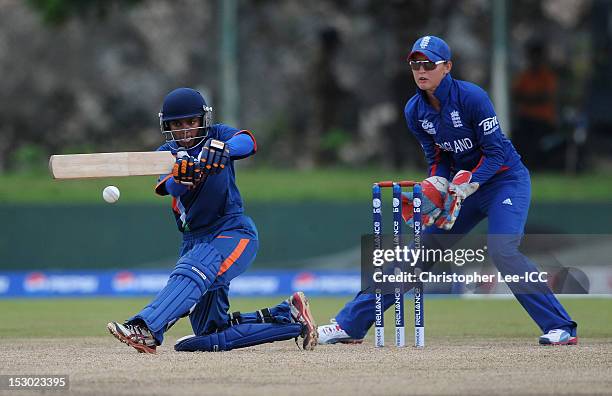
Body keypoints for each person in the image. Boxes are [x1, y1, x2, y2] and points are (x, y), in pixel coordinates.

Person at [317, 36, 578, 346]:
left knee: (502, 250)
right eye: (415, 64)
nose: (421, 70)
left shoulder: (472, 97)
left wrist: (469, 183)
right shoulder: (415, 110)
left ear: (447, 67)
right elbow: (438, 158)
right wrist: (437, 185)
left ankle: (561, 326)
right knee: (417, 253)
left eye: (429, 63)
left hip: (504, 181)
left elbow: (495, 153)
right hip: (459, 189)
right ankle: (350, 324)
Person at [107, 87, 317, 353]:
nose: (184, 130)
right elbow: (170, 187)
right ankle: (290, 318)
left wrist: (224, 150)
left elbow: (248, 142)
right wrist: (183, 176)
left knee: (199, 262)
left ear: (202, 120)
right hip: (194, 238)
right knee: (210, 334)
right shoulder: (165, 153)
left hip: (233, 232)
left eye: (191, 122)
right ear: (166, 125)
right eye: (177, 124)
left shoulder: (218, 134)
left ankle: (146, 328)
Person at [512, 39, 560, 170]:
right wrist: (532, 98)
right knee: (518, 138)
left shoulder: (547, 76)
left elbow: (545, 97)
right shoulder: (525, 75)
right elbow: (516, 96)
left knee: (536, 142)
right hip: (525, 118)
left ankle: (537, 166)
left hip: (543, 120)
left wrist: (528, 98)